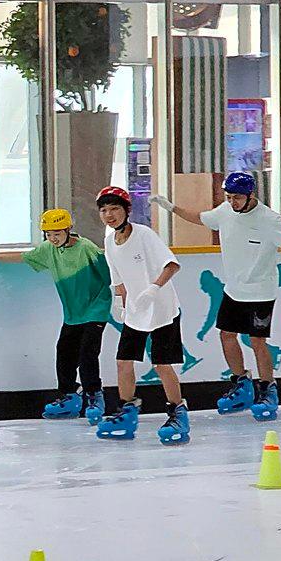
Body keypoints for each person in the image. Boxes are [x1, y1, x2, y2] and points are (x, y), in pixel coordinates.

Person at [152, 172, 281, 421]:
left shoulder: (269, 219)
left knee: (257, 341)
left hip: (261, 291)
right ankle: (241, 383)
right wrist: (170, 207)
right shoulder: (224, 211)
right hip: (234, 289)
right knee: (227, 335)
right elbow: (199, 218)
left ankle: (267, 390)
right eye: (229, 197)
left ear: (250, 195)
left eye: (237, 198)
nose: (232, 202)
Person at [95, 185, 189, 444]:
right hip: (136, 311)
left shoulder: (144, 235)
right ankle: (127, 411)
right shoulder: (109, 241)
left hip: (162, 309)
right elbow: (118, 278)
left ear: (126, 210)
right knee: (123, 362)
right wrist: (121, 302)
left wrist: (154, 288)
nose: (109, 215)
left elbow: (171, 264)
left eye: (114, 209)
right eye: (104, 210)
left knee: (161, 364)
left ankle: (177, 412)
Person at [21, 209, 113, 425]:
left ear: (68, 230)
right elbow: (24, 257)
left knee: (87, 354)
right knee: (64, 352)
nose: (53, 239)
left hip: (96, 308)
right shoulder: (48, 250)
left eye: (57, 234)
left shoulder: (86, 247)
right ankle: (69, 396)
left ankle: (94, 396)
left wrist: (120, 291)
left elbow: (108, 271)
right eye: (48, 234)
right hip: (73, 313)